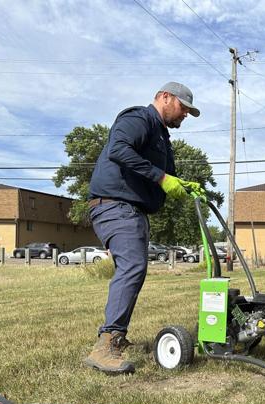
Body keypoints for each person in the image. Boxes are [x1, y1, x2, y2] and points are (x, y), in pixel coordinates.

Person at [84, 82, 202, 375]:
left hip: (130, 209)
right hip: (114, 204)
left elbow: (165, 174)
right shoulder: (139, 118)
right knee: (133, 266)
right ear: (164, 97)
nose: (185, 115)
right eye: (183, 108)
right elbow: (118, 150)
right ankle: (106, 344)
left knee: (135, 267)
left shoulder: (161, 136)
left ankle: (116, 338)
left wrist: (182, 184)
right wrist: (162, 179)